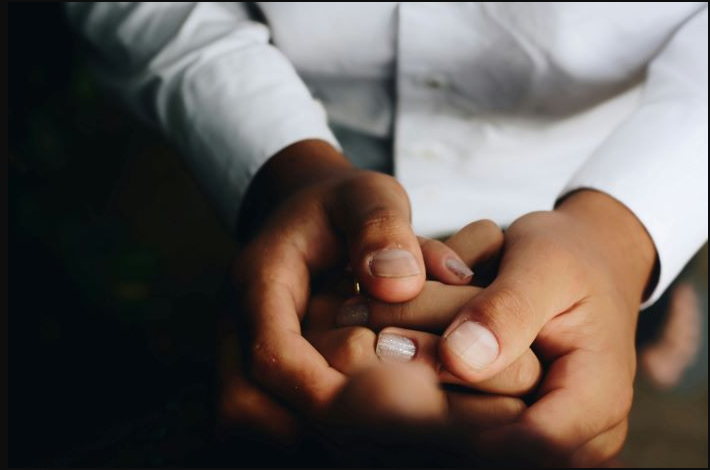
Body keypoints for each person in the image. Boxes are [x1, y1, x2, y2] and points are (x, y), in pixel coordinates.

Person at [67, 2, 708, 466]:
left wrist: (626, 234)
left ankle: (649, 309)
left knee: (609, 326)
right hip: (297, 160)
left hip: (604, 161)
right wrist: (282, 171)